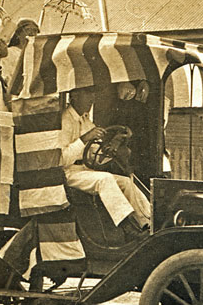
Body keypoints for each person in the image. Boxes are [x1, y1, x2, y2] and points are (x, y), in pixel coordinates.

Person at [59, 86, 152, 235]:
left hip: (85, 171)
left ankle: (147, 222)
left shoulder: (86, 121)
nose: (92, 98)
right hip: (68, 173)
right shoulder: (64, 120)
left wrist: (114, 144)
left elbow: (96, 157)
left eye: (93, 93)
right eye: (88, 93)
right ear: (74, 96)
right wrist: (85, 138)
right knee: (105, 179)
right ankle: (125, 225)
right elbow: (61, 159)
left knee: (125, 182)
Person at [1, 17, 39, 89]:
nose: (32, 33)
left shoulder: (37, 53)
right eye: (28, 30)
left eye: (35, 30)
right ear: (18, 34)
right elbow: (6, 75)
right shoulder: (10, 52)